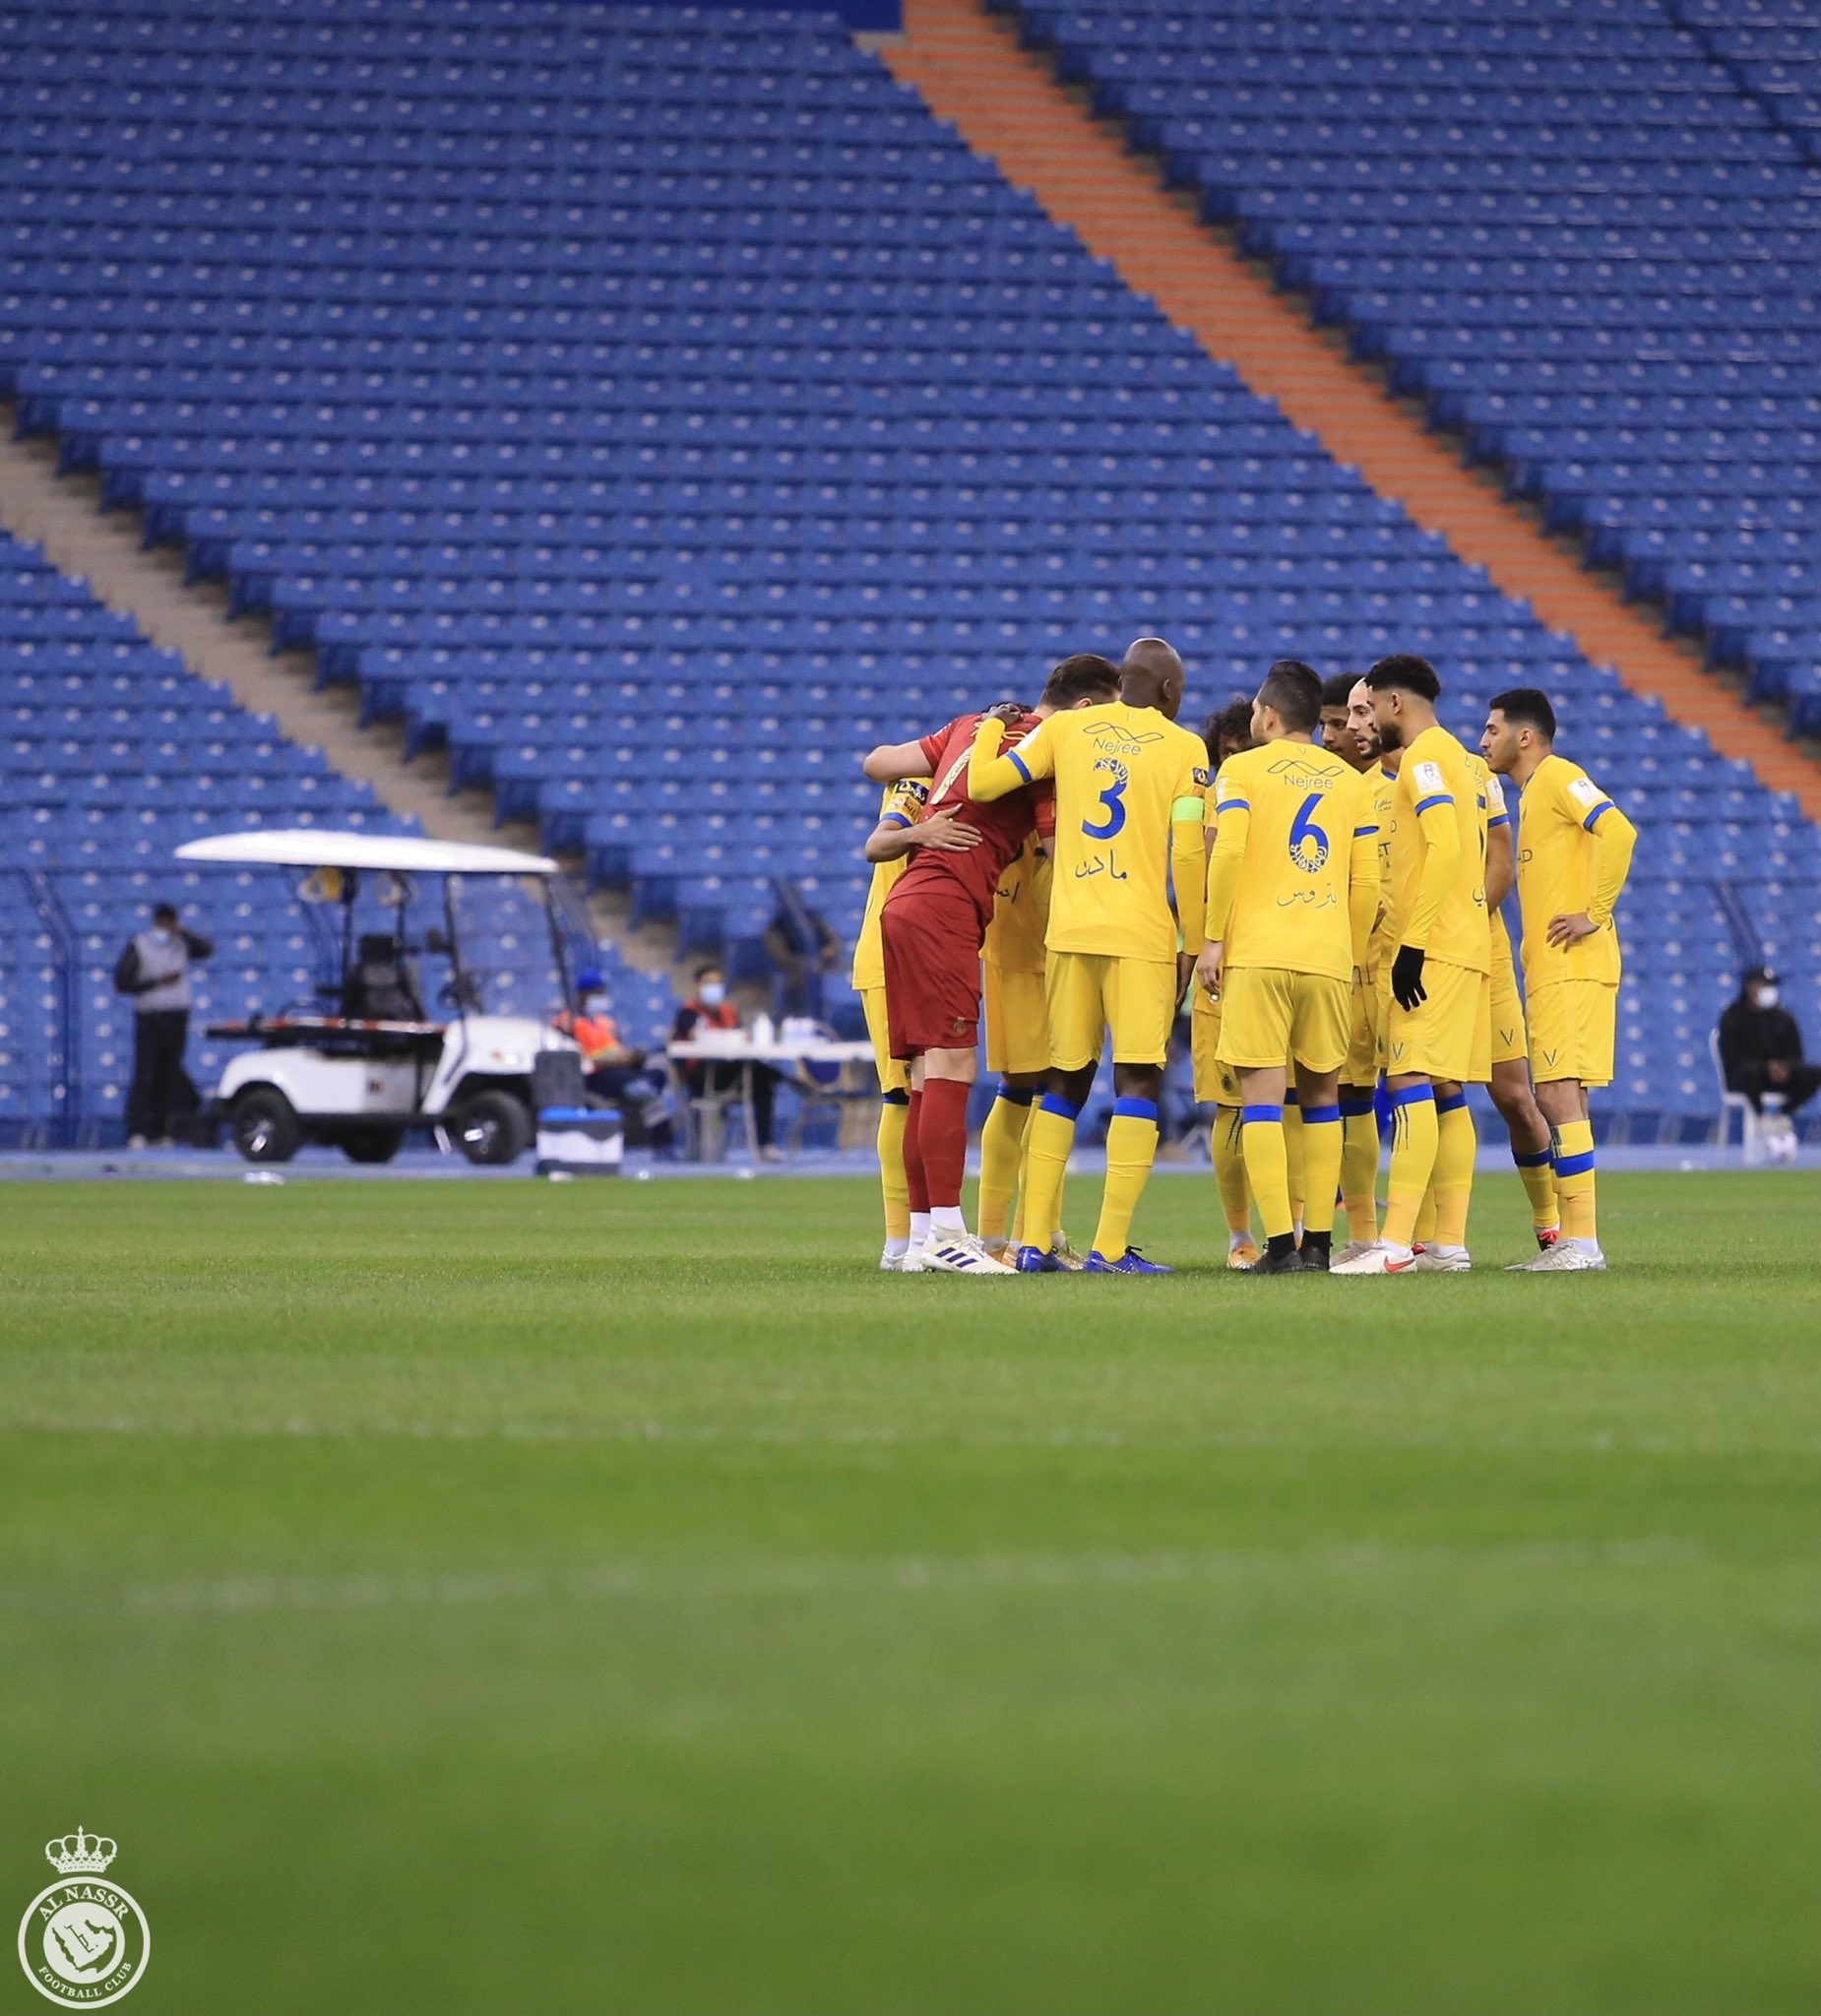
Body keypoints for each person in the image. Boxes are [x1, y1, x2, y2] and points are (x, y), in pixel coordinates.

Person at [863, 653, 1120, 1276]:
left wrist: (921, 826)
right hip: (947, 905)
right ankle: (952, 1233)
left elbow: (878, 762)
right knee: (951, 1064)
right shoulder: (1044, 756)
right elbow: (1061, 852)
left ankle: (922, 1236)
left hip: (906, 903)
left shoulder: (970, 728)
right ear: (1084, 709)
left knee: (925, 1075)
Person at [970, 635, 1208, 1274]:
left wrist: (993, 727)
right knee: (1137, 1080)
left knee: (1064, 1082)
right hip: (1140, 938)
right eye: (1179, 691)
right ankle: (1106, 1249)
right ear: (1164, 691)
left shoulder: (1069, 730)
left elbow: (986, 781)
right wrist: (1195, 939)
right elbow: (1187, 850)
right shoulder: (1186, 749)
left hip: (1069, 935)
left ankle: (1034, 1243)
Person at [1198, 662, 1379, 1272]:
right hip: (1327, 956)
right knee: (1324, 1096)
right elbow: (1367, 882)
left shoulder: (1240, 770)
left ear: (1269, 716)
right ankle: (1321, 1243)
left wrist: (1213, 939)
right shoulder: (1352, 780)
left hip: (1259, 955)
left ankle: (1278, 1244)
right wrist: (1350, 954)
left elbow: (1227, 853)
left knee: (1262, 1102)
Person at [1334, 655, 1490, 1275]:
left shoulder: (1426, 756)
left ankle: (1395, 1244)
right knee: (1442, 1091)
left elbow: (1446, 844)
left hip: (1436, 946)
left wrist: (1415, 943)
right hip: (1464, 942)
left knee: (1408, 1083)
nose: (1362, 722)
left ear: (1396, 703)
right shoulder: (1463, 761)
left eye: (1368, 708)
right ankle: (1446, 1243)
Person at [1482, 688, 1637, 1270]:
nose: (1484, 740)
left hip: (1572, 966)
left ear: (1525, 736)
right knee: (1562, 1096)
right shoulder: (1531, 797)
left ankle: (1582, 1244)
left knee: (1555, 1096)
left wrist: (1593, 915)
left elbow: (1619, 831)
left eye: (1492, 729)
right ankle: (1576, 1238)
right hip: (1555, 969)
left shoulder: (1557, 777)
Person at [1192, 696, 1267, 1268]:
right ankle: (1240, 1235)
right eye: (1227, 757)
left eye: (1246, 753)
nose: (1234, 765)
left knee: (1288, 1104)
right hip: (1221, 966)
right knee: (1229, 1106)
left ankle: (1296, 1229)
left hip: (1274, 959)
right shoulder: (1205, 803)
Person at [848, 774, 934, 1267]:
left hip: (927, 958)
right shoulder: (918, 784)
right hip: (888, 959)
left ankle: (924, 1233)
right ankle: (899, 1240)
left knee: (929, 1092)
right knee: (900, 1095)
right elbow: (879, 842)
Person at [115, 901, 212, 1148]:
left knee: (169, 1075)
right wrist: (155, 983)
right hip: (150, 1016)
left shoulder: (181, 944)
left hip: (177, 1015)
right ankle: (137, 1130)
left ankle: (161, 1130)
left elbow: (206, 950)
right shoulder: (140, 945)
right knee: (145, 1074)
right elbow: (122, 982)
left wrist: (184, 933)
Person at [554, 969, 674, 1152]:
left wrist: (631, 1057)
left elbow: (617, 1050)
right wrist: (616, 1060)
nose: (601, 996)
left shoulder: (604, 1022)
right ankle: (662, 1142)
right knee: (648, 1097)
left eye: (602, 992)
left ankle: (645, 1085)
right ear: (583, 993)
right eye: (597, 992)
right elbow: (574, 1056)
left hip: (620, 1069)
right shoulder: (568, 1021)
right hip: (594, 1075)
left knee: (659, 1056)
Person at [670, 964, 780, 1161]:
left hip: (731, 1070)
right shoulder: (688, 1012)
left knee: (763, 1085)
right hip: (700, 1073)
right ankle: (786, 1079)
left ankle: (765, 1145)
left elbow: (740, 1037)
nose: (714, 987)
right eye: (709, 983)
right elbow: (693, 1037)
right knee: (757, 1070)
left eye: (718, 983)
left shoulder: (729, 1011)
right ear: (698, 985)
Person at [1719, 965, 1817, 1162]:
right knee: (1749, 1071)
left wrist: (1784, 1067)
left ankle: (1782, 1115)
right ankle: (1761, 1117)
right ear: (1749, 987)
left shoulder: (1783, 1018)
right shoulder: (1733, 1017)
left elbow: (1795, 1054)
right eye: (1764, 985)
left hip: (1779, 1076)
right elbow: (1733, 1056)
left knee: (1814, 1073)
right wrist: (1766, 1067)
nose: (1768, 990)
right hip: (1746, 1077)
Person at [764, 885, 840, 1022]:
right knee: (797, 980)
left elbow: (832, 939)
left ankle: (824, 1024)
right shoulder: (776, 925)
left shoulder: (812, 918)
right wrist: (803, 962)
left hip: (821, 965)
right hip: (792, 970)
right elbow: (780, 954)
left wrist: (830, 949)